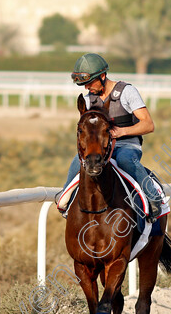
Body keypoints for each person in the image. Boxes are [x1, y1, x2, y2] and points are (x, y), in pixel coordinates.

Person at [58, 52, 162, 221]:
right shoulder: (88, 99)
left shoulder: (127, 92)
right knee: (78, 161)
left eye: (89, 83)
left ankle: (153, 197)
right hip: (102, 146)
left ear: (103, 76)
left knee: (124, 160)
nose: (87, 88)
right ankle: (65, 200)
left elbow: (149, 125)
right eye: (84, 85)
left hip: (127, 145)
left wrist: (122, 131)